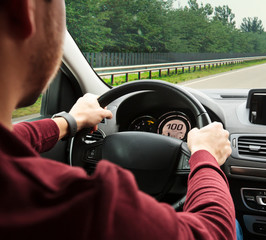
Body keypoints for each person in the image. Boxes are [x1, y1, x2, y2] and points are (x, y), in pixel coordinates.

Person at [0, 0, 237, 239]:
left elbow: (12, 139)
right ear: (25, 9)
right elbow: (213, 232)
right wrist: (205, 155)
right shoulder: (80, 206)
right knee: (235, 225)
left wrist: (70, 121)